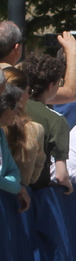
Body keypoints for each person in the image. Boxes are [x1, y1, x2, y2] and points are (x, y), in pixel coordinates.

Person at [21, 54, 72, 194]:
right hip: (37, 194)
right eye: (59, 83)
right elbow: (61, 175)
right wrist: (69, 185)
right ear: (50, 86)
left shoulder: (12, 109)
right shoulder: (56, 120)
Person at [0, 83, 30, 211]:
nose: (17, 111)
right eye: (13, 106)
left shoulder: (1, 134)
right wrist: (17, 189)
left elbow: (14, 171)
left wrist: (8, 185)